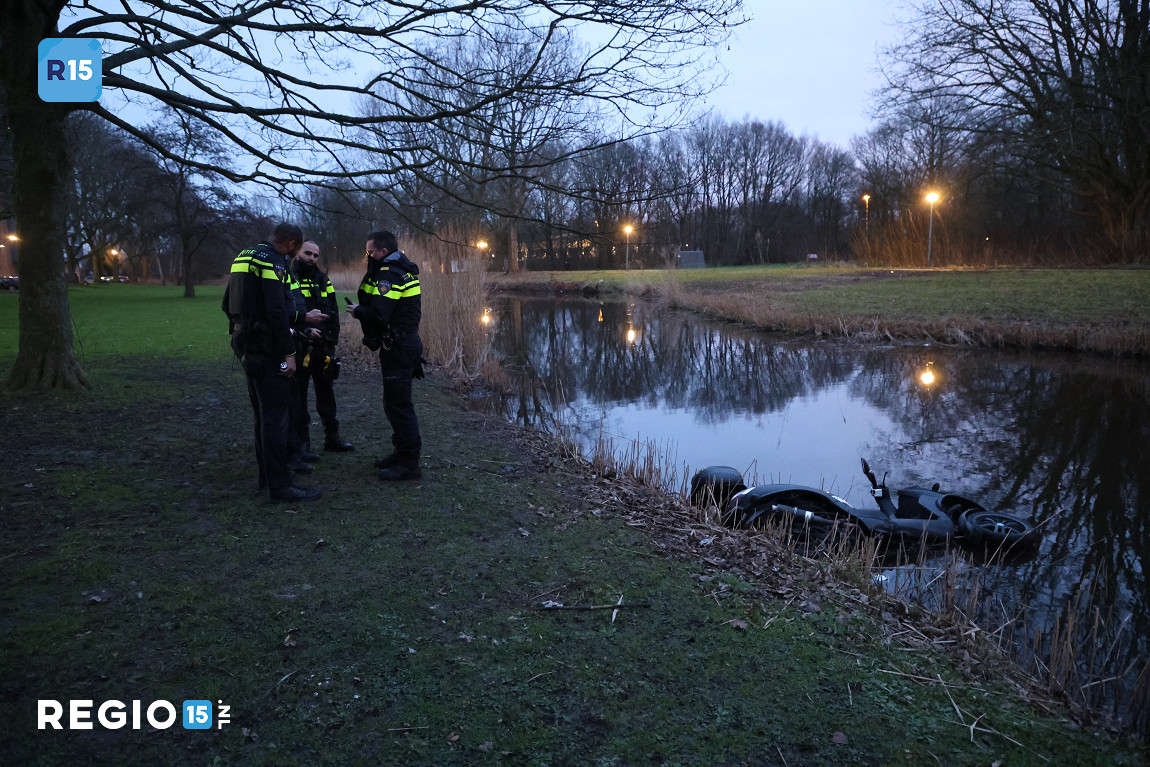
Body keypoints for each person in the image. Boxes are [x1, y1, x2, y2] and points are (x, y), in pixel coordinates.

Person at [222, 223, 322, 503]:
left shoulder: (244, 256)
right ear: (290, 244)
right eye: (295, 250)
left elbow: (226, 303)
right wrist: (289, 353)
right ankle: (281, 486)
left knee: (261, 416)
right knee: (276, 418)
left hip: (246, 345)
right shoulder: (273, 262)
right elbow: (277, 312)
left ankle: (266, 477)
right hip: (270, 350)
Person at [346, 230, 425, 481]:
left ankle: (410, 463)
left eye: (369, 252)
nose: (367, 256)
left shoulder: (390, 274)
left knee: (399, 406)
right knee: (394, 404)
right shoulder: (401, 269)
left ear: (382, 252)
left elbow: (381, 314)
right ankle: (401, 453)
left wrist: (358, 311)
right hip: (403, 344)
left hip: (400, 347)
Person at [291, 240, 353, 454]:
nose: (312, 258)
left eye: (316, 255)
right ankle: (302, 445)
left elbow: (333, 312)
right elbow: (285, 313)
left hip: (323, 347)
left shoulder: (322, 279)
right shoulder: (290, 277)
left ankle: (332, 438)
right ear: (298, 252)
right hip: (299, 346)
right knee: (298, 397)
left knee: (326, 393)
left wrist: (330, 341)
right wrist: (305, 330)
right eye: (308, 253)